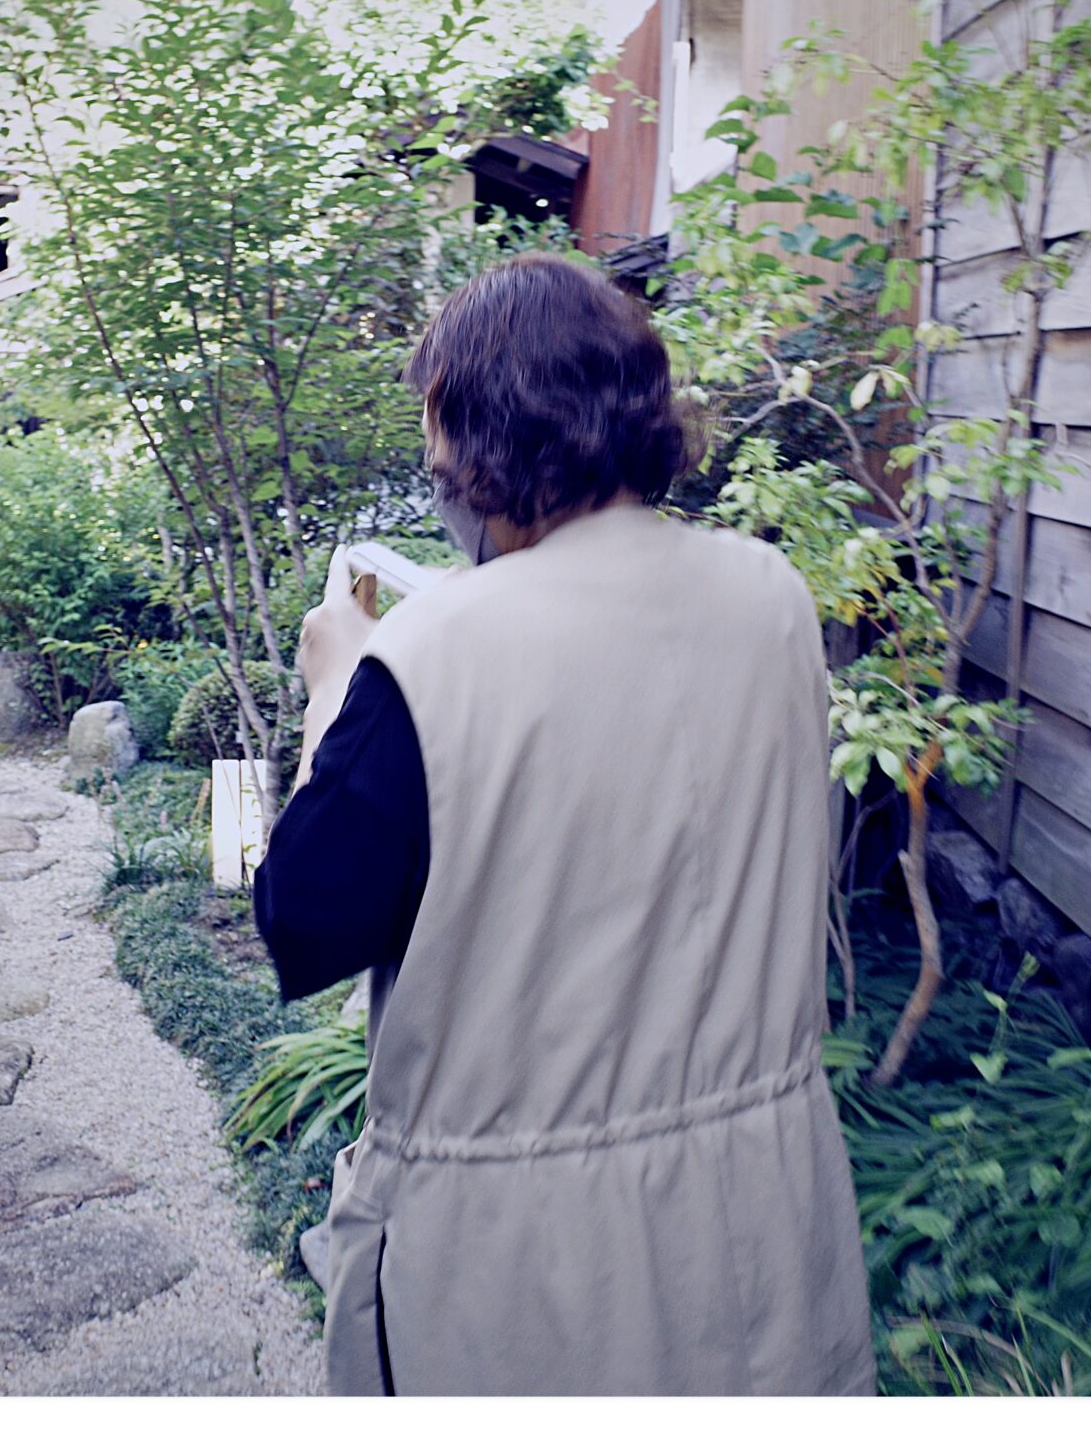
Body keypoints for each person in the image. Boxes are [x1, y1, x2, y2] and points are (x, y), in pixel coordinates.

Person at [252, 252, 874, 1396]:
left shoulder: (432, 655)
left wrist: (336, 687)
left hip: (526, 1271)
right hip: (762, 1222)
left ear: (475, 443)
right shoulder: (771, 598)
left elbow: (305, 923)